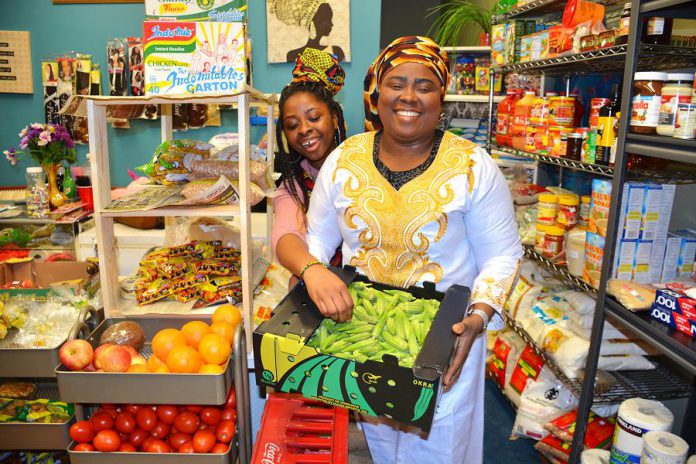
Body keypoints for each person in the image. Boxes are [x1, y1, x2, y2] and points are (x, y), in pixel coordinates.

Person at [301, 36, 523, 463]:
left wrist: (478, 317)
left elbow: (503, 255)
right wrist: (313, 275)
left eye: (424, 86)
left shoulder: (474, 167)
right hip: (363, 339)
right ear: (375, 92)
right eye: (396, 83)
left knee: (439, 448)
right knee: (383, 445)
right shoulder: (343, 160)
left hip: (445, 341)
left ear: (442, 96)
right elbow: (316, 242)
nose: (408, 96)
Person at [271, 48, 347, 288]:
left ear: (334, 119)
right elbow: (286, 235)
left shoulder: (362, 164)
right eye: (293, 125)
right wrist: (310, 270)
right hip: (323, 287)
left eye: (314, 118)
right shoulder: (294, 184)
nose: (304, 129)